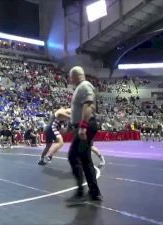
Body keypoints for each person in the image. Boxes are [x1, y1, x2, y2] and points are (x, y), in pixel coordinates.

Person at [65, 66, 102, 203]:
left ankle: (85, 190)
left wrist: (82, 127)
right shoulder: (80, 88)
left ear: (74, 76)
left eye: (70, 77)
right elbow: (79, 109)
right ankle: (92, 191)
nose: (69, 79)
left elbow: (89, 106)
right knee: (82, 158)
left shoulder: (85, 86)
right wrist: (72, 125)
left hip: (85, 126)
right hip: (82, 126)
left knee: (76, 157)